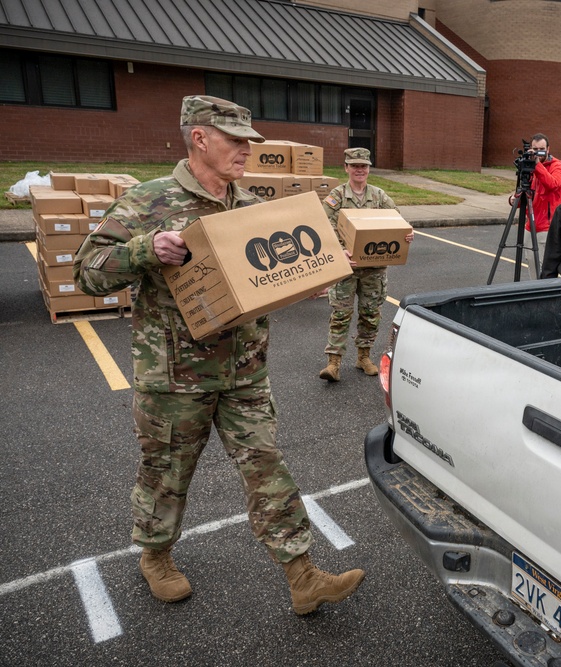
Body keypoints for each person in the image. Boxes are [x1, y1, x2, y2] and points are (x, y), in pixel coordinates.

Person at [73, 95, 365, 614]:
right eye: (235, 141)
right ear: (200, 138)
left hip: (245, 372)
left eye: (249, 142)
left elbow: (274, 278)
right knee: (166, 472)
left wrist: (321, 271)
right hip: (174, 379)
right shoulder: (149, 203)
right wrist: (145, 250)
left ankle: (303, 576)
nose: (246, 151)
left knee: (266, 465)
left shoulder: (251, 207)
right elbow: (87, 271)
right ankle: (156, 557)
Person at [319, 147, 413, 382]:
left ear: (369, 169)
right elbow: (323, 226)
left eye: (364, 166)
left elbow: (397, 222)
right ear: (346, 168)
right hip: (346, 267)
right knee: (341, 314)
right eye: (355, 165)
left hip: (374, 269)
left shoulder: (379, 196)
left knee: (370, 314)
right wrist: (339, 250)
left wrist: (407, 233)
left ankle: (363, 357)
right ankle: (333, 363)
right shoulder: (337, 196)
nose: (359, 170)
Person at [507, 133, 561, 271]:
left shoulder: (557, 167)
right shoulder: (530, 166)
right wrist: (514, 199)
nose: (538, 152)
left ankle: (541, 291)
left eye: (541, 149)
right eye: (535, 149)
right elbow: (529, 193)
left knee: (543, 266)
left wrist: (537, 165)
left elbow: (553, 184)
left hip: (548, 226)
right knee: (532, 263)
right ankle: (534, 289)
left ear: (548, 149)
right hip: (531, 224)